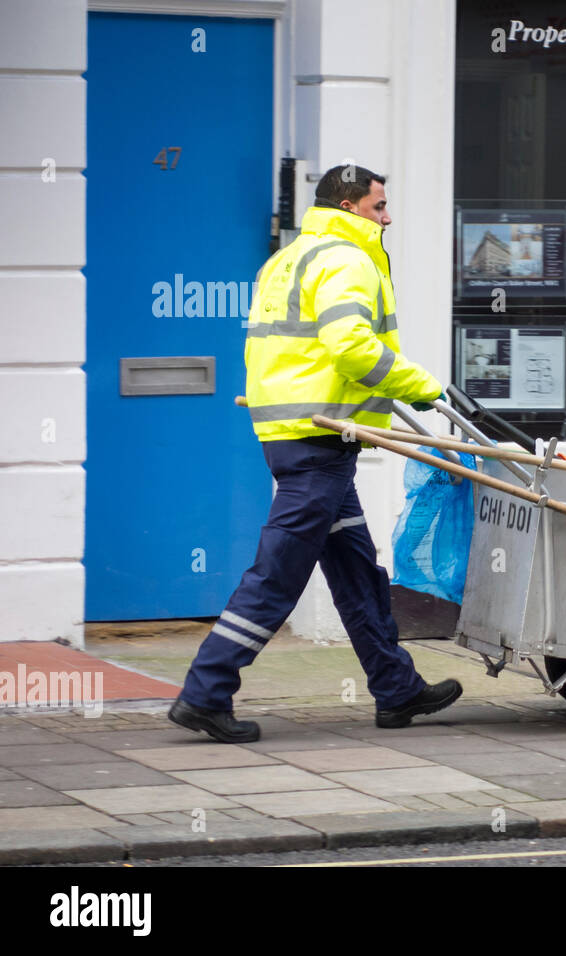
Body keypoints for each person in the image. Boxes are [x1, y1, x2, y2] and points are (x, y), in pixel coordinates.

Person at [169, 164, 461, 743]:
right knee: (277, 573)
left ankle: (396, 689)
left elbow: (274, 350)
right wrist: (421, 385)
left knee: (355, 570)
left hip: (298, 437)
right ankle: (205, 692)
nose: (388, 216)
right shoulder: (346, 259)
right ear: (351, 206)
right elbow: (350, 347)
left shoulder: (286, 259)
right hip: (319, 442)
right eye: (380, 206)